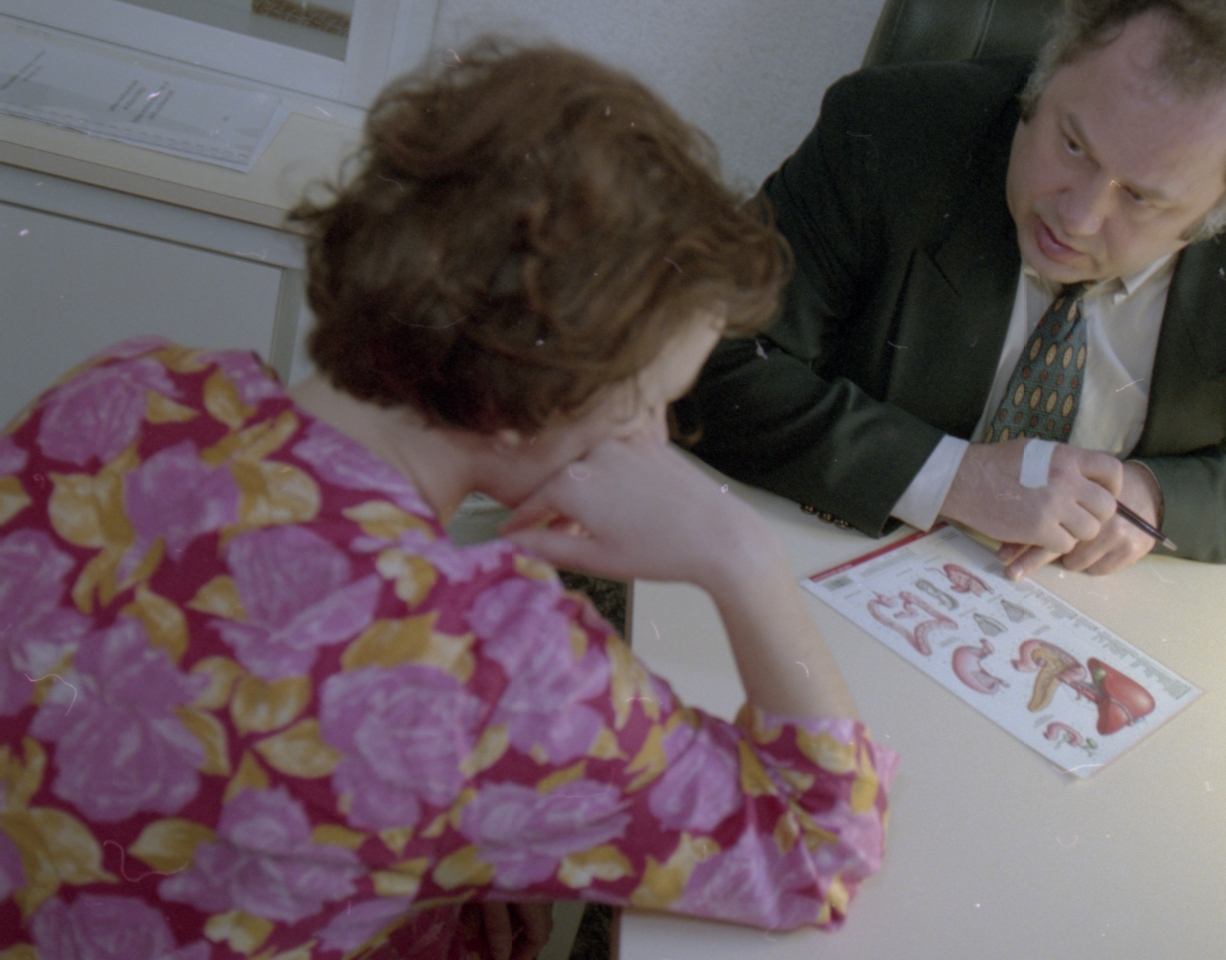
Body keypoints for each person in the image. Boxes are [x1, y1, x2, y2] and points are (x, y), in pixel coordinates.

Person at [0, 42, 894, 960]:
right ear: (533, 395)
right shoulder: (494, 662)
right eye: (648, 404)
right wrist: (743, 557)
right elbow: (819, 847)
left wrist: (470, 843)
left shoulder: (131, 386)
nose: (658, 442)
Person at [679, 0, 1226, 581]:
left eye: (1140, 197)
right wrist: (952, 477)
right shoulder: (889, 133)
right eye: (1072, 145)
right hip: (824, 564)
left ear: (1219, 213)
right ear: (1041, 84)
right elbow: (709, 358)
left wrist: (1151, 499)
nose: (1076, 216)